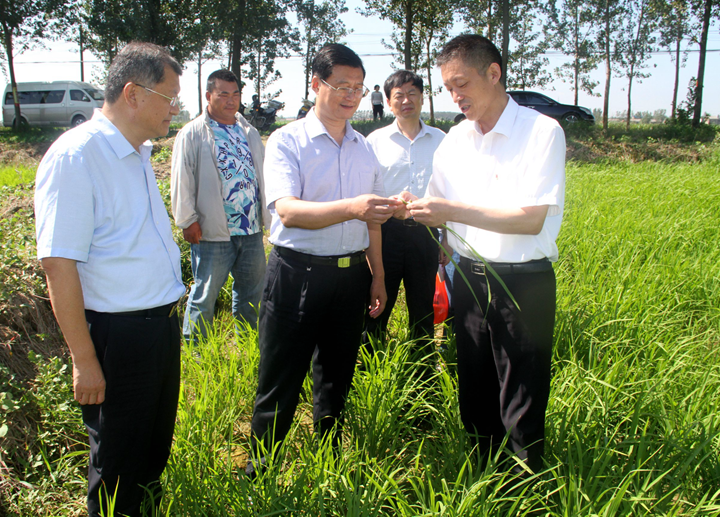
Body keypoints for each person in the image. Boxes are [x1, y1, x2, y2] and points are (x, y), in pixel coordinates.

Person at [401, 34, 566, 473]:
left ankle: (525, 484)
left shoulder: (541, 132)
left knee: (522, 389)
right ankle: (484, 476)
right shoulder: (456, 139)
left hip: (522, 281)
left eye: (462, 84)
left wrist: (450, 211)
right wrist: (413, 207)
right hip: (469, 278)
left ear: (493, 74)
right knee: (474, 386)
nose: (456, 96)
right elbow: (437, 204)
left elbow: (530, 219)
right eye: (448, 88)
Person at [34, 42, 186, 516]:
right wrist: (84, 360)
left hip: (159, 327)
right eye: (169, 97)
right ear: (133, 93)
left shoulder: (137, 153)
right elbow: (58, 264)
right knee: (118, 462)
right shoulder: (78, 156)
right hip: (119, 337)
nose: (174, 108)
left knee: (152, 450)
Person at [246, 43, 402, 476]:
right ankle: (261, 470)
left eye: (359, 87)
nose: (352, 95)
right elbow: (288, 211)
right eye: (342, 86)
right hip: (297, 273)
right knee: (280, 376)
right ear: (316, 84)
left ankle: (328, 459)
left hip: (350, 278)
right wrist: (354, 206)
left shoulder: (363, 147)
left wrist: (378, 275)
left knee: (336, 375)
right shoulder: (287, 140)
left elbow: (372, 220)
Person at [171, 69, 268, 340]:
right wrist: (187, 220)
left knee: (252, 292)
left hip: (250, 229)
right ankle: (197, 349)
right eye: (223, 94)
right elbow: (182, 178)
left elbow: (261, 175)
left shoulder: (249, 131)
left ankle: (248, 342)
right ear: (208, 96)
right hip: (212, 230)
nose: (231, 100)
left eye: (235, 94)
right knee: (205, 294)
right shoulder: (193, 133)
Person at [364, 70, 446, 355]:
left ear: (423, 98)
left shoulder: (441, 140)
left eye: (413, 93)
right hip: (385, 231)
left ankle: (422, 365)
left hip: (426, 231)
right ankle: (371, 359)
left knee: (423, 303)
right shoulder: (374, 141)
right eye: (399, 95)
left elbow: (448, 192)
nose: (406, 100)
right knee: (377, 299)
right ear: (388, 102)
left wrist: (446, 238)